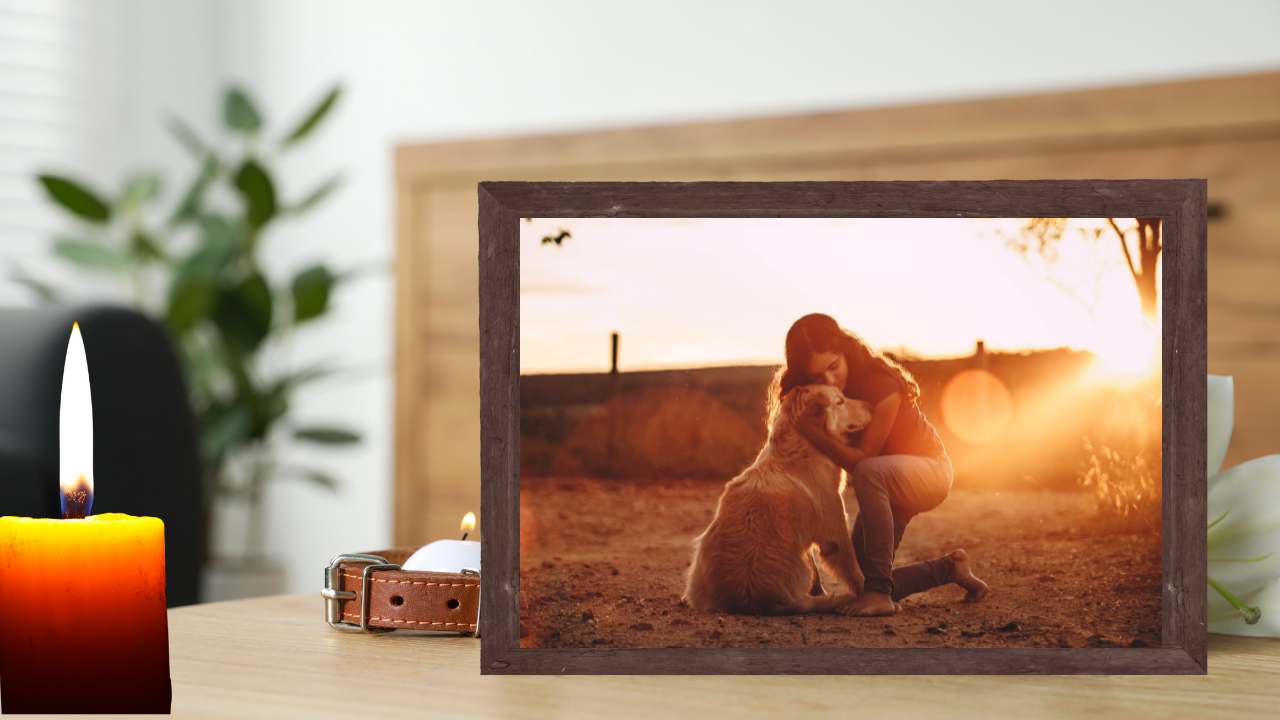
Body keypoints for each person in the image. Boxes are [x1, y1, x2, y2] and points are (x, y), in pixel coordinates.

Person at [768, 313, 989, 617]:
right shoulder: (820, 395)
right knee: (863, 579)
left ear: (846, 349)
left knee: (870, 472)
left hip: (929, 472)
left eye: (834, 366)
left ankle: (879, 596)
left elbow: (864, 460)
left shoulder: (882, 384)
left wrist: (814, 435)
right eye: (817, 376)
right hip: (887, 482)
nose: (830, 380)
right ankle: (951, 569)